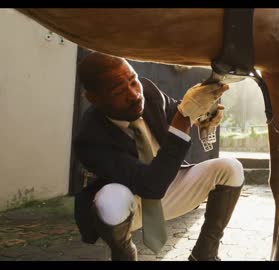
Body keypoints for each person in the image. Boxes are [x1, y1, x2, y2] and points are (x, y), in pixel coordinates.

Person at [73, 52, 244, 261]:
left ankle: (204, 254)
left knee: (230, 167)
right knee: (110, 200)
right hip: (132, 205)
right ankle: (124, 253)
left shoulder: (148, 92)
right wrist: (184, 118)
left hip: (171, 189)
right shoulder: (90, 138)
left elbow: (175, 110)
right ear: (94, 99)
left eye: (133, 80)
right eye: (119, 90)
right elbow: (150, 186)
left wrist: (203, 112)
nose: (134, 94)